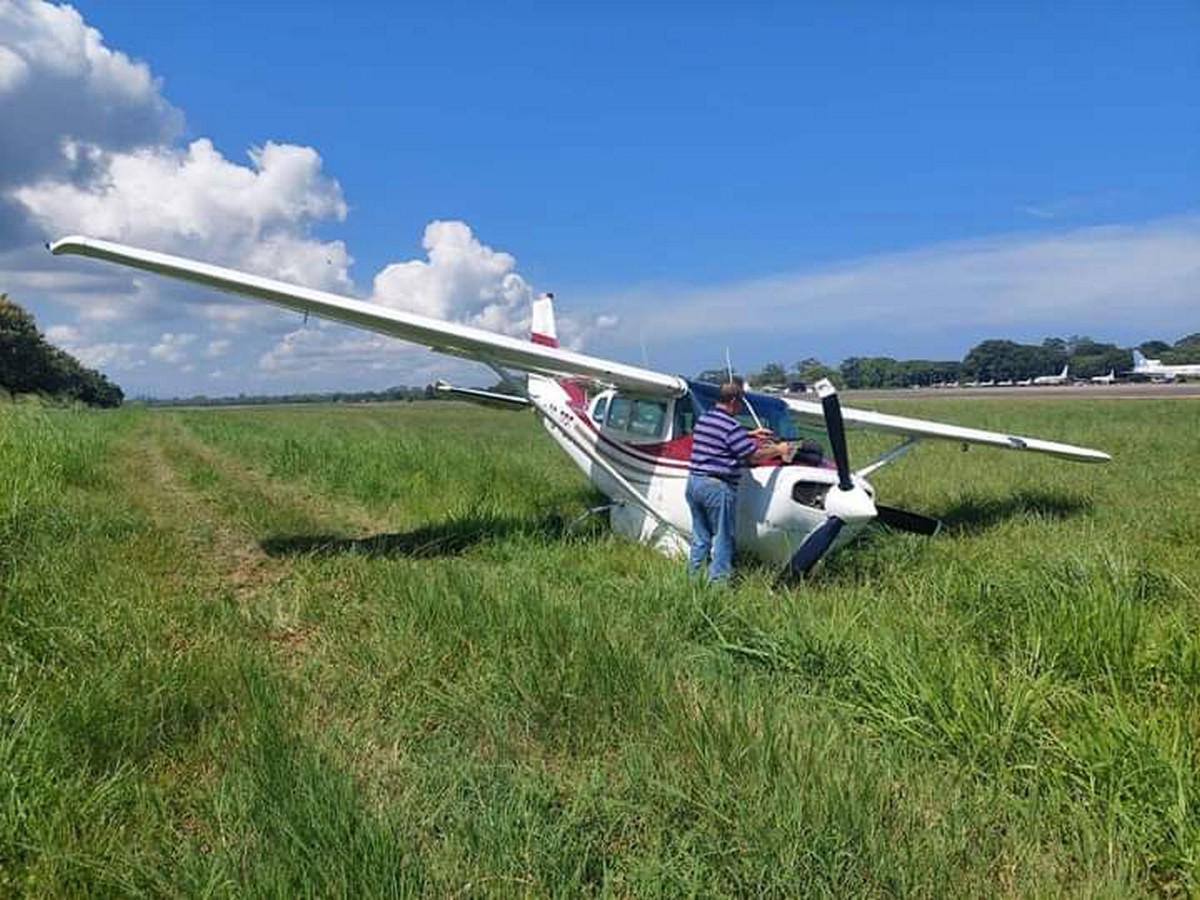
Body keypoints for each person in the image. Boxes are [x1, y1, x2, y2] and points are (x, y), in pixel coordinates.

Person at [686, 381, 793, 582]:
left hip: (694, 483)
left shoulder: (704, 419)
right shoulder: (731, 427)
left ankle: (693, 579)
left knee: (700, 537)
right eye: (741, 403)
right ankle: (719, 584)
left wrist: (749, 434)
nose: (741, 408)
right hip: (717, 487)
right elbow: (753, 456)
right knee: (723, 538)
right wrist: (779, 449)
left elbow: (721, 437)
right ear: (734, 401)